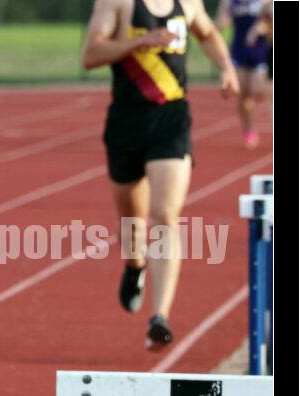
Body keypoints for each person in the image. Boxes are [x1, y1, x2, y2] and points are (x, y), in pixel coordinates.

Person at [82, 0, 239, 350]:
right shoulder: (116, 3)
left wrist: (226, 66)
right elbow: (89, 55)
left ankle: (159, 317)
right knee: (131, 218)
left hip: (171, 120)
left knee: (165, 215)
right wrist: (137, 41)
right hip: (126, 122)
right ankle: (134, 264)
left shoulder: (188, 3)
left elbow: (209, 32)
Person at [216, 0, 270, 148]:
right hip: (238, 50)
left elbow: (269, 19)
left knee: (258, 91)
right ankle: (249, 130)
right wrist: (220, 25)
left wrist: (261, 28)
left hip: (259, 50)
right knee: (242, 95)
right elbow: (221, 22)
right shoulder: (228, 2)